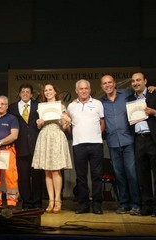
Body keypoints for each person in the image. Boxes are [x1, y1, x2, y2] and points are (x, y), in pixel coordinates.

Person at [100, 74, 141, 214]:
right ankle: (124, 204)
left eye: (110, 82)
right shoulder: (101, 103)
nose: (108, 85)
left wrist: (152, 87)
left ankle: (136, 204)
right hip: (112, 143)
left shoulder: (127, 93)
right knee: (119, 175)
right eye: (104, 83)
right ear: (101, 86)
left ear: (114, 83)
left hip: (128, 140)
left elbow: (140, 91)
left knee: (132, 173)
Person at [32, 83, 72, 214]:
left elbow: (65, 127)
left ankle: (58, 200)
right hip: (44, 136)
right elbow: (39, 125)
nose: (48, 92)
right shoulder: (41, 107)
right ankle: (50, 201)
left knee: (55, 170)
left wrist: (66, 120)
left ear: (55, 91)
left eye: (50, 89)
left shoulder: (61, 106)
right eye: (46, 90)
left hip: (56, 136)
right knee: (47, 171)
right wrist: (39, 123)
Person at [67, 79, 105, 214]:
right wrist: (77, 134)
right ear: (76, 91)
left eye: (86, 88)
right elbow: (68, 125)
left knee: (96, 176)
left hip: (96, 144)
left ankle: (97, 204)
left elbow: (102, 123)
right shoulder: (71, 106)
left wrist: (95, 135)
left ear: (90, 90)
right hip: (78, 145)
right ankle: (83, 204)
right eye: (81, 89)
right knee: (81, 177)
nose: (83, 91)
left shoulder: (98, 104)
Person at [8, 84, 43, 209]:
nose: (25, 93)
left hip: (36, 146)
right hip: (20, 146)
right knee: (23, 176)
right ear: (19, 93)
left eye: (28, 91)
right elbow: (5, 121)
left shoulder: (39, 106)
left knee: (37, 176)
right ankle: (27, 201)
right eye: (22, 91)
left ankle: (37, 201)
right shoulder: (12, 107)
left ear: (32, 94)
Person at [128, 72, 156, 217]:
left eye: (138, 80)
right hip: (139, 140)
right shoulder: (130, 99)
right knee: (142, 176)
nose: (136, 83)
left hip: (153, 139)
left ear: (145, 81)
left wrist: (154, 112)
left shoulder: (154, 94)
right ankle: (147, 207)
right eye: (133, 81)